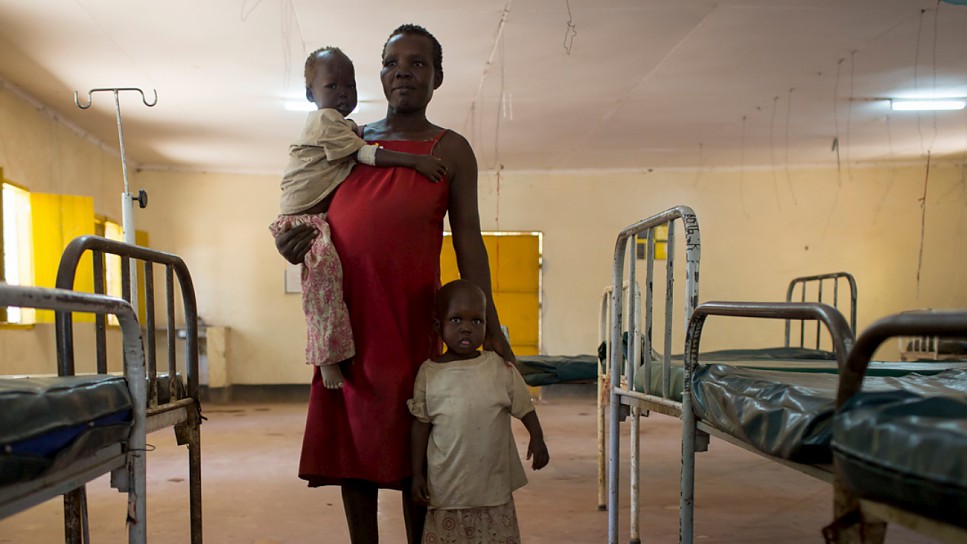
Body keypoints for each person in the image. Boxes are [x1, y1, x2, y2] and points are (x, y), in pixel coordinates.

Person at [272, 24, 516, 543]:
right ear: (379, 74)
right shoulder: (347, 141)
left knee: (416, 449)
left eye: (417, 62)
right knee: (351, 448)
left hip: (408, 324)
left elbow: (469, 240)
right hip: (347, 326)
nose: (402, 70)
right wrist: (284, 243)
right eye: (391, 62)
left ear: (438, 77)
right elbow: (304, 213)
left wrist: (492, 324)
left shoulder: (450, 150)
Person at [269, 46, 447, 389]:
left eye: (349, 86)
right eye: (332, 86)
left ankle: (330, 354)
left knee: (325, 292)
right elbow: (365, 156)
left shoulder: (349, 128)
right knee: (322, 294)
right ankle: (325, 357)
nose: (342, 94)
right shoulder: (331, 125)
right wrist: (415, 161)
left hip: (398, 303)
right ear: (310, 94)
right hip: (306, 222)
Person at [408, 280, 549, 544]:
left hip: (492, 489)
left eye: (477, 321)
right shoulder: (430, 373)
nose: (466, 328)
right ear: (439, 327)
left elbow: (524, 406)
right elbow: (420, 425)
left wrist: (537, 438)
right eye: (456, 319)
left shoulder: (499, 368)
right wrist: (417, 473)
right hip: (448, 488)